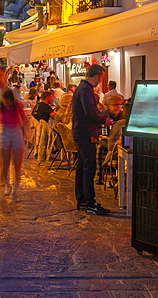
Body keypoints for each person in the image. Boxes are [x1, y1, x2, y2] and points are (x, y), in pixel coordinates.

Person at [72, 64, 110, 215]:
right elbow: (89, 113)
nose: (100, 81)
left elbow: (88, 110)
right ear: (97, 77)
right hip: (85, 133)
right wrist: (103, 120)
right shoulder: (86, 90)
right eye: (101, 78)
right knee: (89, 167)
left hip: (80, 132)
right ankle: (90, 204)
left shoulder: (81, 88)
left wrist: (101, 113)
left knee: (81, 167)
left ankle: (81, 201)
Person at [0, 88, 30, 200]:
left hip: (16, 132)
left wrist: (27, 133)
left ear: (12, 100)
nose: (7, 104)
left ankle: (15, 190)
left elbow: (24, 119)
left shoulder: (18, 104)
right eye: (6, 102)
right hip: (4, 132)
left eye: (9, 101)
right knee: (5, 164)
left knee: (17, 164)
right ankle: (7, 185)